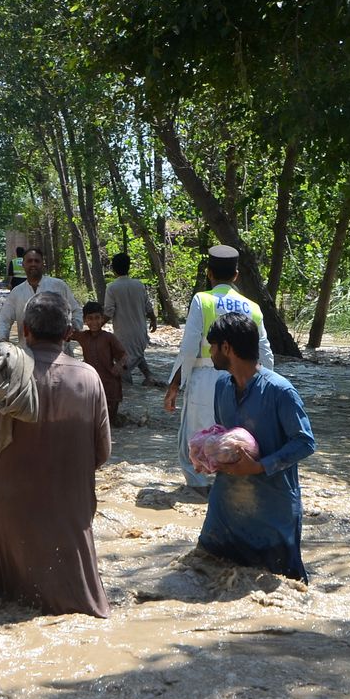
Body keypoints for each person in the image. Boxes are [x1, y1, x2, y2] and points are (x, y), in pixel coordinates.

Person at [0, 291, 112, 617]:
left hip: (2, 509)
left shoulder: (6, 370)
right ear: (69, 334)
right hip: (67, 513)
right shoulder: (89, 379)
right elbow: (102, 453)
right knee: (74, 609)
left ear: (25, 329)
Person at [196, 311, 315, 581]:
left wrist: (259, 466)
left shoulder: (280, 391)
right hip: (226, 507)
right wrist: (207, 455)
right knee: (207, 570)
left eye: (213, 346)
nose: (211, 352)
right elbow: (223, 435)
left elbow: (305, 442)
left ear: (227, 347)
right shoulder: (222, 387)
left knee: (282, 585)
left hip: (271, 512)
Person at [163, 245, 273, 489]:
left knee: (196, 442)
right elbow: (265, 352)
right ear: (236, 275)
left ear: (209, 273)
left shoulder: (202, 300)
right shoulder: (252, 307)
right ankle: (232, 489)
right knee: (234, 438)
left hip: (205, 378)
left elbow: (189, 348)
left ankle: (199, 492)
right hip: (243, 381)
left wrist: (174, 386)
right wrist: (266, 387)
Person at [0, 247, 83, 345]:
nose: (33, 264)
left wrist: (73, 328)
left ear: (43, 264)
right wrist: (3, 341)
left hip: (59, 352)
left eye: (37, 261)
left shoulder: (58, 286)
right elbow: (4, 319)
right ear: (23, 265)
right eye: (29, 261)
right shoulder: (17, 292)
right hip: (28, 353)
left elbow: (76, 311)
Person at [103, 252, 158, 385]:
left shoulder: (112, 288)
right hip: (140, 332)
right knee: (137, 355)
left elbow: (109, 312)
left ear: (113, 269)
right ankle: (149, 377)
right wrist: (153, 320)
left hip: (123, 334)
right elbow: (148, 307)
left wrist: (96, 326)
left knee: (124, 367)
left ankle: (127, 392)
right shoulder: (139, 285)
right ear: (129, 267)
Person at [75, 301, 128, 423]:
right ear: (84, 320)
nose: (94, 322)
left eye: (97, 318)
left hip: (110, 381)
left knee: (110, 420)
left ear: (103, 318)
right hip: (91, 382)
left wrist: (119, 366)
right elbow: (64, 334)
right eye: (90, 318)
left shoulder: (109, 337)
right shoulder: (82, 336)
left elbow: (124, 355)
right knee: (92, 417)